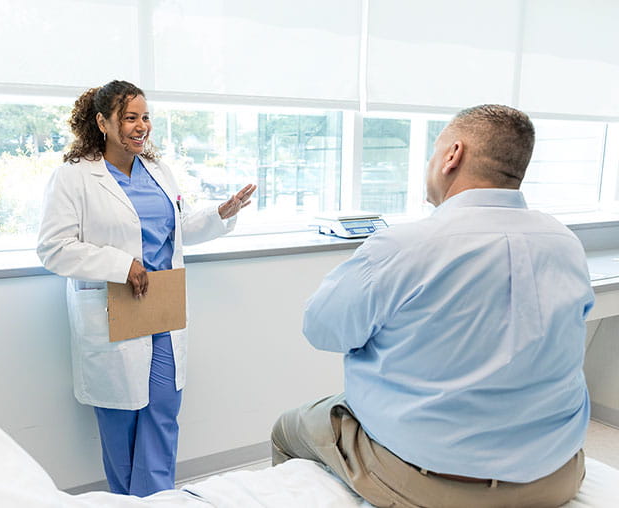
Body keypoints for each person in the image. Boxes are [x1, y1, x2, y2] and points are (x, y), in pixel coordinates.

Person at [271, 104, 594, 507]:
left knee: (289, 427)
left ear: (452, 155)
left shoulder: (404, 246)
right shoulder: (565, 243)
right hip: (557, 474)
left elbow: (321, 329)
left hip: (434, 483)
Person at [37, 80, 256, 496]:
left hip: (162, 309)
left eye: (145, 117)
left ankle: (159, 500)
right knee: (122, 422)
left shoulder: (157, 171)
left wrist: (221, 213)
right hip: (115, 310)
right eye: (130, 118)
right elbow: (54, 248)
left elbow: (180, 228)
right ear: (102, 122)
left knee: (163, 413)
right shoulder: (75, 177)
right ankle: (129, 501)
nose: (141, 127)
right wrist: (121, 265)